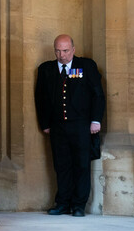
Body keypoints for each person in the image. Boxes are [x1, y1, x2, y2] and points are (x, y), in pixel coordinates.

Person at [35, 34, 105, 217]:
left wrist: (96, 120)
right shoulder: (46, 69)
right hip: (58, 126)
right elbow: (40, 98)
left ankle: (78, 205)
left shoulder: (86, 66)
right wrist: (45, 123)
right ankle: (63, 203)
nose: (62, 55)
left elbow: (97, 94)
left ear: (73, 50)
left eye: (65, 50)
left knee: (81, 165)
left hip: (81, 126)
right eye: (58, 50)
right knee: (61, 164)